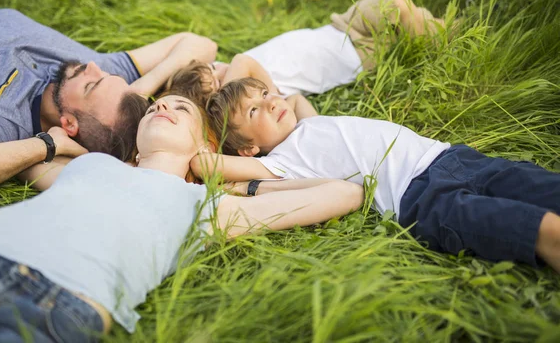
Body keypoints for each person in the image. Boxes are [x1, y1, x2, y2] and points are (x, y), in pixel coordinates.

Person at [0, 93, 364, 341]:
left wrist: (234, 181)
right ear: (134, 146)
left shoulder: (207, 208)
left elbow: (345, 192)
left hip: (47, 303)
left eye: (180, 107)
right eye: (155, 106)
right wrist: (49, 142)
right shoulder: (92, 165)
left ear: (203, 143)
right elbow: (23, 161)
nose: (163, 106)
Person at [191, 77, 560, 273]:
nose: (271, 102)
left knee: (530, 182)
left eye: (267, 94)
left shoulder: (308, 124)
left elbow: (297, 97)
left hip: (447, 156)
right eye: (255, 111)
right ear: (247, 150)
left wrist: (253, 91)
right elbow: (203, 165)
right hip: (420, 198)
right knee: (522, 225)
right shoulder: (280, 164)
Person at [0, 0, 217, 198]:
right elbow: (200, 44)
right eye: (105, 77)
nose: (92, 67)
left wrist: (47, 146)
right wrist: (139, 89)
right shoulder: (99, 78)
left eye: (91, 85)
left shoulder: (4, 120)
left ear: (69, 124)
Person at [165, 0, 450, 106]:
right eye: (216, 81)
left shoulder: (246, 65)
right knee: (394, 3)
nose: (222, 71)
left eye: (214, 68)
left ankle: (443, 29)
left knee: (395, 3)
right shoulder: (254, 89)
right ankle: (446, 37)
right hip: (361, 55)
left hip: (340, 27)